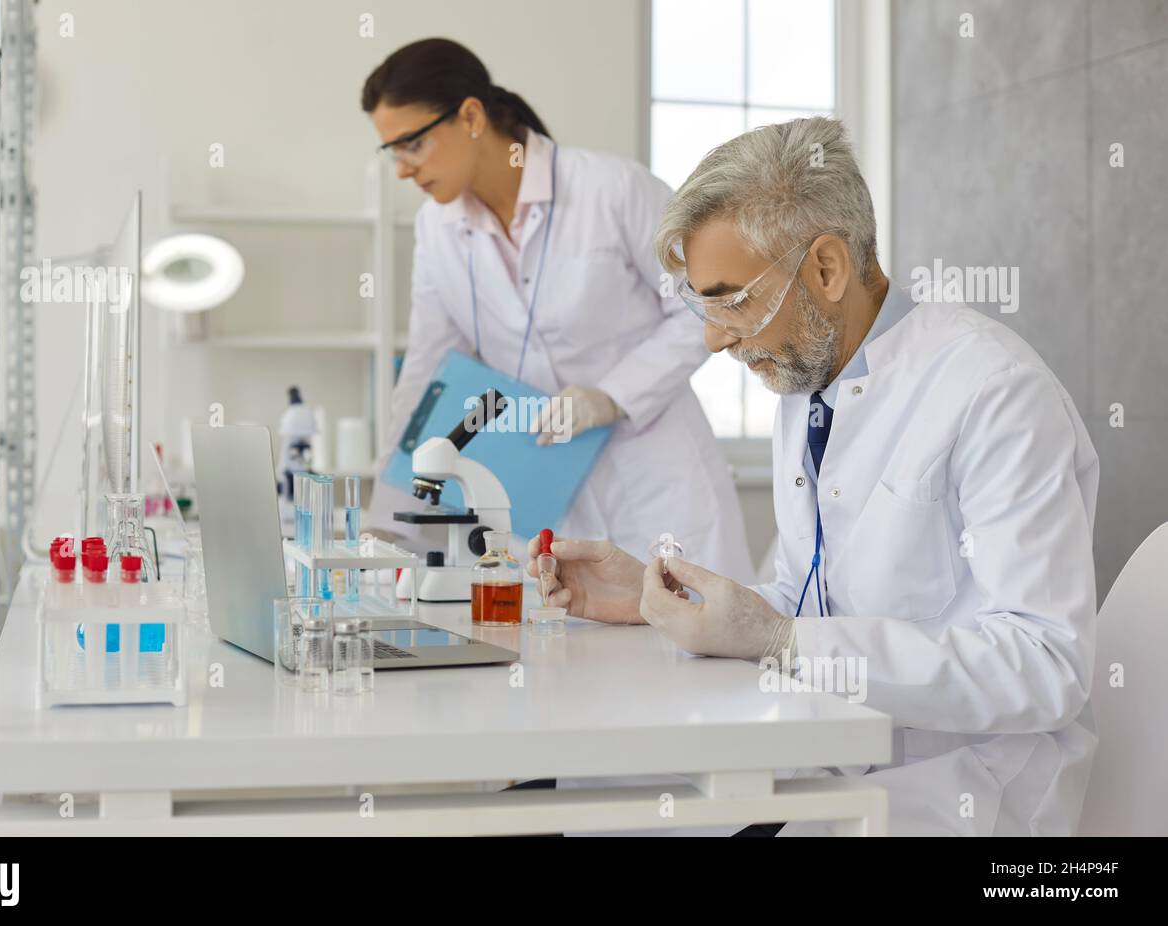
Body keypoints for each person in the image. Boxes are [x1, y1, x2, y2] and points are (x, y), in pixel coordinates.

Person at [532, 117, 1099, 837]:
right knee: (599, 820)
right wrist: (650, 596)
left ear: (826, 269)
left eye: (731, 299)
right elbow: (806, 601)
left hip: (967, 790)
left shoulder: (994, 391)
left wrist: (782, 642)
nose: (713, 337)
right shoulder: (808, 383)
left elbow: (1045, 664)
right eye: (699, 306)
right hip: (830, 762)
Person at [360, 38, 752, 581]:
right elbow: (429, 371)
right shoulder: (437, 229)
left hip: (659, 483)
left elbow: (708, 307)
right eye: (391, 152)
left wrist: (613, 396)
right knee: (567, 656)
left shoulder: (610, 189)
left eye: (413, 144)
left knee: (694, 651)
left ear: (470, 116)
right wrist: (387, 519)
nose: (402, 170)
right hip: (542, 497)